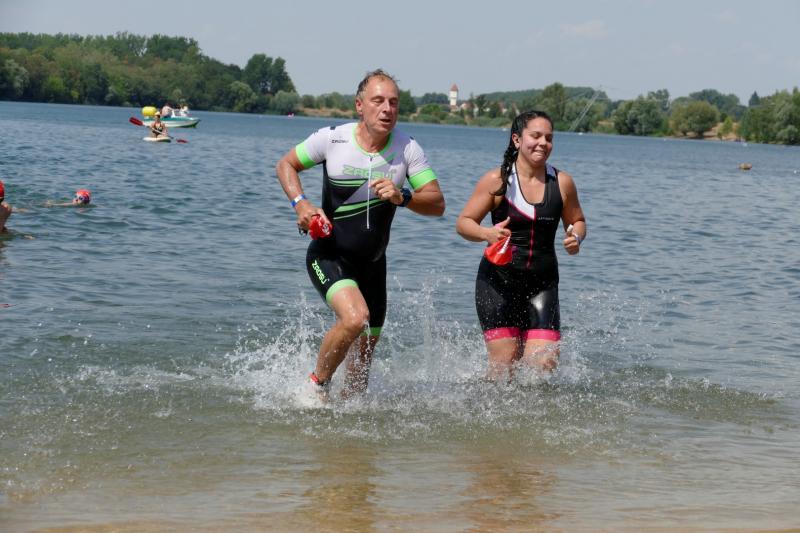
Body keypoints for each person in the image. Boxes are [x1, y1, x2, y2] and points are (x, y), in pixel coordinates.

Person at [276, 68, 446, 401]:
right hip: (330, 255)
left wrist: (403, 196)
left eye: (393, 102)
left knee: (358, 382)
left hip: (373, 266)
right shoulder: (332, 139)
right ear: (359, 105)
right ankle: (316, 388)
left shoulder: (407, 148)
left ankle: (347, 429)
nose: (387, 109)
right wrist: (301, 204)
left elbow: (437, 203)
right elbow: (286, 165)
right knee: (355, 318)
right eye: (378, 101)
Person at [456, 110, 586, 380]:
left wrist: (576, 237)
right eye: (535, 136)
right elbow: (464, 223)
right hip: (497, 284)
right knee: (504, 367)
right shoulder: (497, 181)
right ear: (517, 139)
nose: (543, 143)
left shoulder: (562, 182)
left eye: (548, 138)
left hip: (543, 285)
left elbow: (577, 220)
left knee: (544, 365)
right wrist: (486, 233)